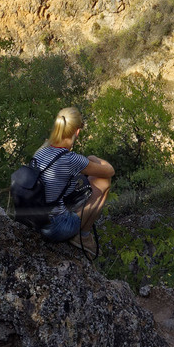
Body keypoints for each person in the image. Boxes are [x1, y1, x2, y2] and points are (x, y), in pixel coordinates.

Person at [31, 106, 114, 248]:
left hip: (34, 220)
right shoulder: (71, 159)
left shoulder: (40, 151)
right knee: (104, 181)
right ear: (77, 131)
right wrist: (92, 158)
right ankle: (84, 236)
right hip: (55, 229)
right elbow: (109, 171)